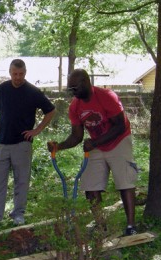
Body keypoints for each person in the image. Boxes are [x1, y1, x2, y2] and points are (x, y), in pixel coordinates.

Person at [47, 69, 138, 236]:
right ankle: (100, 224)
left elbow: (120, 126)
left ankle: (131, 225)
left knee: (125, 182)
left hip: (119, 141)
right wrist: (58, 147)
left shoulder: (107, 96)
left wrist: (95, 142)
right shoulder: (75, 106)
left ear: (86, 83)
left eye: (74, 88)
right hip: (97, 144)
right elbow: (77, 136)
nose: (72, 93)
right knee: (90, 185)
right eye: (70, 89)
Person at [0, 59, 56, 227]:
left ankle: (18, 214)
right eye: (15, 74)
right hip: (2, 142)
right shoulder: (3, 89)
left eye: (21, 74)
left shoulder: (33, 92)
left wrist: (37, 130)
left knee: (21, 180)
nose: (18, 77)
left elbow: (50, 111)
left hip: (23, 143)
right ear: (10, 72)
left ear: (25, 73)